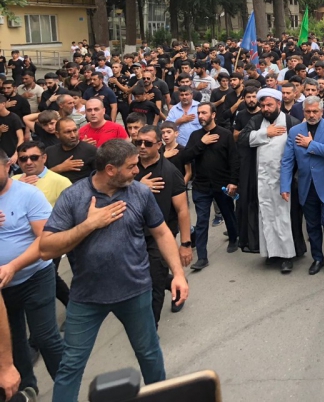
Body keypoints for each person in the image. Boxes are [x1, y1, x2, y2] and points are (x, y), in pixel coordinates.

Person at [40, 140, 189, 402]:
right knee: (71, 366)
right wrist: (88, 225)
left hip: (135, 292)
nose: (136, 172)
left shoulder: (139, 193)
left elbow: (162, 232)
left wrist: (178, 274)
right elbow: (46, 248)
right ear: (110, 169)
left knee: (149, 354)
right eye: (131, 167)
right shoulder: (74, 197)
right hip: (87, 298)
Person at [0, 149, 64, 395]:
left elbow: (45, 240)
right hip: (4, 288)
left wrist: (13, 266)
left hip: (34, 277)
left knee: (45, 337)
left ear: (7, 167)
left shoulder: (28, 195)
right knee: (13, 342)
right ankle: (27, 388)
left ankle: (65, 387)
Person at [133, 126, 193, 323]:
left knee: (154, 284)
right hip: (132, 234)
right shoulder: (129, 168)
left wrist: (185, 244)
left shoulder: (169, 172)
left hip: (160, 236)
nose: (142, 147)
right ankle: (173, 283)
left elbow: (182, 210)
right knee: (137, 276)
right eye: (138, 142)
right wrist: (138, 186)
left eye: (147, 143)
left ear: (159, 145)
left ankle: (151, 330)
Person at [280, 96, 324, 276]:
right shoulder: (295, 131)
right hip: (306, 186)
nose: (312, 114)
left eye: (315, 111)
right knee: (312, 225)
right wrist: (285, 186)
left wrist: (310, 144)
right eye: (308, 111)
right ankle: (318, 258)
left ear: (322, 112)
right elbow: (287, 161)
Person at [237, 88, 297, 270]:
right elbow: (242, 139)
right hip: (261, 179)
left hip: (283, 179)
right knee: (266, 215)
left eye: (269, 104)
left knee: (283, 217)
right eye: (262, 105)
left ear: (279, 104)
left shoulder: (290, 121)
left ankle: (287, 256)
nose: (266, 108)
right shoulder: (256, 121)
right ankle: (272, 252)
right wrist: (265, 133)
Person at [13, 140, 72, 306]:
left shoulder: (60, 181)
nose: (29, 162)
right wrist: (16, 186)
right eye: (23, 159)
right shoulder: (14, 180)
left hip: (49, 239)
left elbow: (72, 211)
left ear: (44, 158)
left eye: (34, 157)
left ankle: (71, 309)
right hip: (22, 241)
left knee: (49, 276)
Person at [182, 103, 240, 270]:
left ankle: (234, 237)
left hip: (222, 185)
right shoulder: (195, 136)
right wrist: (201, 143)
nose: (201, 116)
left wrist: (233, 181)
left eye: (204, 113)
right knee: (201, 221)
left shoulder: (225, 134)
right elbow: (185, 156)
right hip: (201, 186)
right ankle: (202, 256)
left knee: (228, 213)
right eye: (199, 113)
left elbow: (234, 160)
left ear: (213, 115)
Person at [0, 95, 24, 166]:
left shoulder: (14, 118)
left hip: (12, 150)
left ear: (3, 104)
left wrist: (16, 154)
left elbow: (21, 138)